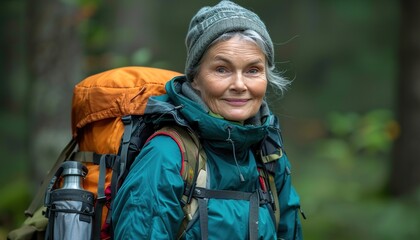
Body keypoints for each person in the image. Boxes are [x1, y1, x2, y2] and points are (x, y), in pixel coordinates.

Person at [112, 0, 303, 239]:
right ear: (195, 78)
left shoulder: (269, 156)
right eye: (222, 69)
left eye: (253, 70)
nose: (239, 85)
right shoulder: (168, 156)